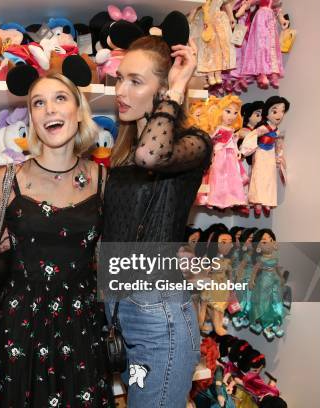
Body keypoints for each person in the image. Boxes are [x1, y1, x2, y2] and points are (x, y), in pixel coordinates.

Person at [0, 73, 114, 407]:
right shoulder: (5, 180)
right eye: (38, 103)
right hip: (19, 326)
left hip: (81, 325)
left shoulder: (103, 179)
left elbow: (110, 259)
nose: (48, 110)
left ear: (78, 109)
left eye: (60, 98)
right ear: (30, 117)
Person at [102, 35, 212, 407]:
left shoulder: (194, 142)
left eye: (135, 81)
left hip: (159, 313)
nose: (121, 90)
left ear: (164, 88)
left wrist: (179, 87)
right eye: (119, 79)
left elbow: (153, 155)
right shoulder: (122, 149)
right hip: (120, 307)